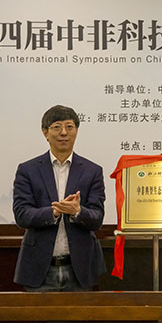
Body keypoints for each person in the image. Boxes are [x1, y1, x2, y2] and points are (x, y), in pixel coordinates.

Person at [13, 105, 106, 291]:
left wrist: (77, 211)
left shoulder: (92, 171)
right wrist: (53, 212)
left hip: (80, 268)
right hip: (39, 267)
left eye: (69, 127)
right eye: (57, 127)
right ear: (45, 132)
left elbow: (97, 218)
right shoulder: (28, 170)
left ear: (76, 131)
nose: (64, 133)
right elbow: (21, 214)